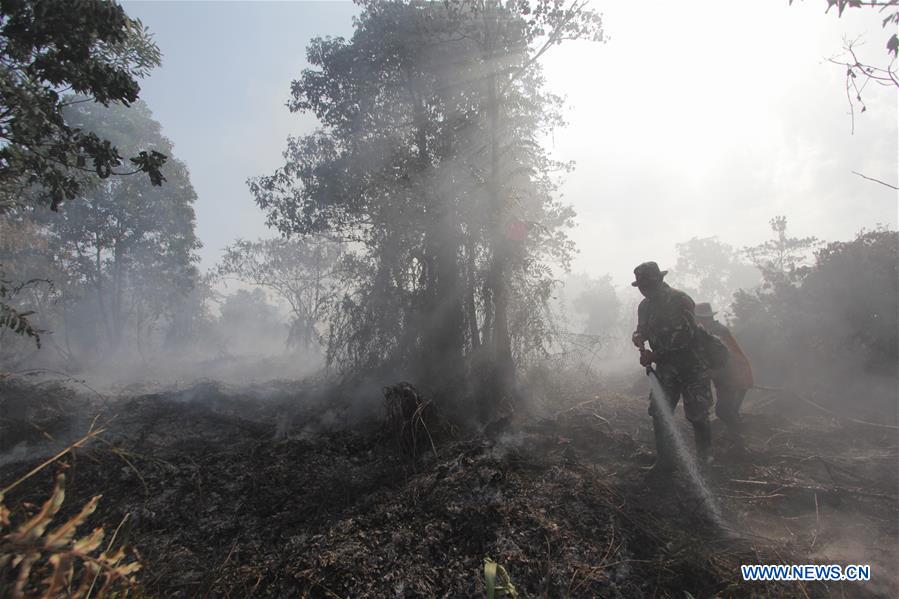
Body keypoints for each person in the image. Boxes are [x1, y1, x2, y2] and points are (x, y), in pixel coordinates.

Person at [630, 262, 713, 472]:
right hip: (667, 369)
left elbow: (687, 336)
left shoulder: (680, 300)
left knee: (697, 414)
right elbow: (641, 330)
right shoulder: (645, 307)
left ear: (659, 281)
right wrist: (638, 339)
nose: (644, 289)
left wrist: (654, 354)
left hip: (693, 366)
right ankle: (665, 462)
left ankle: (705, 460)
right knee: (659, 412)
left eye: (647, 285)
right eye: (641, 286)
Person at [694, 302, 754, 441]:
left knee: (724, 409)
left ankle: (741, 437)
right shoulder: (707, 331)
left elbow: (727, 357)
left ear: (704, 318)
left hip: (736, 374)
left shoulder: (717, 332)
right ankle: (736, 438)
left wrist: (712, 372)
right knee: (729, 409)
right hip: (726, 376)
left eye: (698, 318)